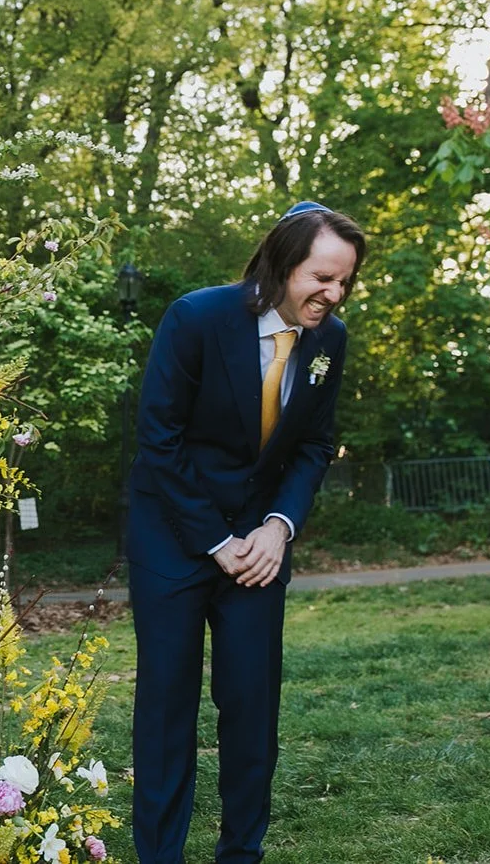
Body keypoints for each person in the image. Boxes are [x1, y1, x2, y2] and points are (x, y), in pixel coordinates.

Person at [127, 201, 366, 863]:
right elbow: (160, 440)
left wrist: (278, 527)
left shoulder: (329, 342)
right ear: (285, 261)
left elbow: (315, 446)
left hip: (260, 550)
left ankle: (241, 853)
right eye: (323, 276)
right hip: (172, 538)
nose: (334, 293)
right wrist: (217, 539)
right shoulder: (197, 317)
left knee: (252, 709)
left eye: (344, 281)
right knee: (167, 711)